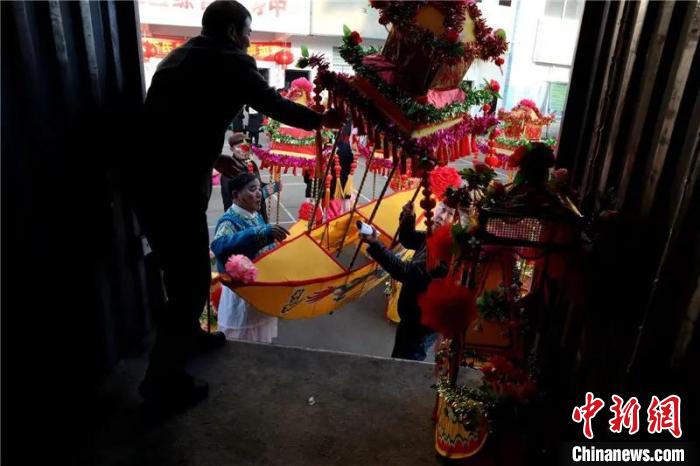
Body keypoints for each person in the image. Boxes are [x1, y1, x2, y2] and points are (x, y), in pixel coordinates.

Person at [129, 0, 344, 411]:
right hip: (173, 189)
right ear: (231, 32)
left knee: (179, 271)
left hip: (151, 180)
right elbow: (274, 104)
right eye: (246, 33)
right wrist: (321, 121)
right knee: (191, 281)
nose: (248, 41)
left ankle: (190, 337)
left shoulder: (179, 57)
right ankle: (162, 380)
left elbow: (172, 124)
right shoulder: (231, 60)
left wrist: (214, 158)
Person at [359, 201, 451, 361]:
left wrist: (374, 243)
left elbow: (404, 271)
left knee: (406, 363)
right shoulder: (434, 236)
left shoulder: (448, 251)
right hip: (411, 316)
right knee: (399, 357)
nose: (441, 216)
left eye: (449, 214)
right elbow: (408, 239)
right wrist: (409, 217)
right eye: (442, 209)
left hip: (422, 324)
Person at [211, 173, 288, 342]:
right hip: (241, 293)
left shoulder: (254, 213)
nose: (259, 193)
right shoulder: (229, 221)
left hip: (259, 287)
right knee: (242, 337)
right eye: (252, 189)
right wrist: (259, 233)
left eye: (259, 188)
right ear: (236, 195)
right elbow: (218, 245)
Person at [220, 132, 279, 221]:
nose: (243, 150)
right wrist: (269, 190)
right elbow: (243, 197)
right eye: (239, 147)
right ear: (232, 149)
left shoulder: (252, 164)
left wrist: (274, 186)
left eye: (246, 146)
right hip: (242, 219)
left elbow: (258, 186)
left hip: (259, 215)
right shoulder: (229, 169)